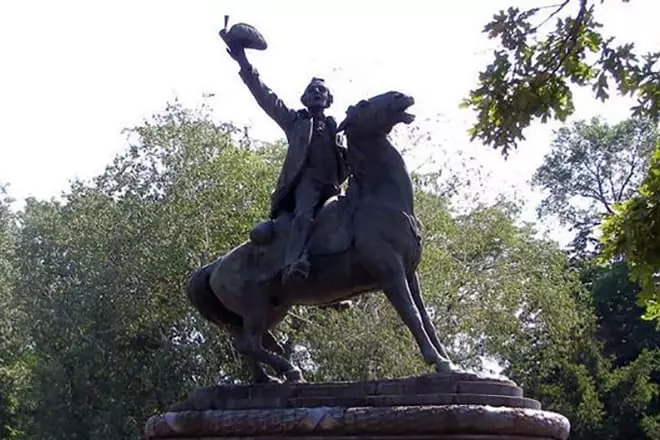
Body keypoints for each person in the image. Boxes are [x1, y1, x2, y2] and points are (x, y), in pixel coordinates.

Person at [225, 44, 348, 284]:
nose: (316, 93)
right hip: (307, 184)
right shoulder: (295, 122)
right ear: (304, 98)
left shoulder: (337, 128)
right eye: (311, 90)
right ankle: (292, 263)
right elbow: (266, 97)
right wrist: (243, 62)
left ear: (328, 99)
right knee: (304, 216)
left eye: (321, 90)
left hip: (333, 186)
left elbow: (352, 157)